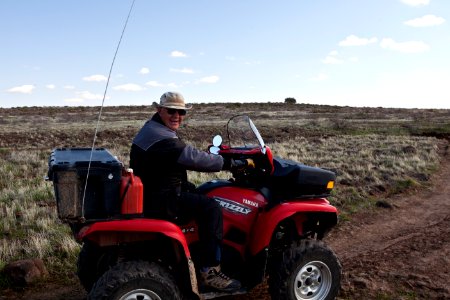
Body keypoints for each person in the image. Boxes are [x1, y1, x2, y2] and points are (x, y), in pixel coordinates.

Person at [129, 92, 241, 292]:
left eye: (181, 112)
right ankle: (210, 271)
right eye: (172, 110)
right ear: (159, 110)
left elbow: (183, 154)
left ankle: (196, 252)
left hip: (156, 190)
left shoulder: (152, 128)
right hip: (162, 198)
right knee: (212, 207)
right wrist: (230, 162)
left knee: (202, 192)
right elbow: (192, 157)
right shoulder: (161, 137)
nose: (177, 116)